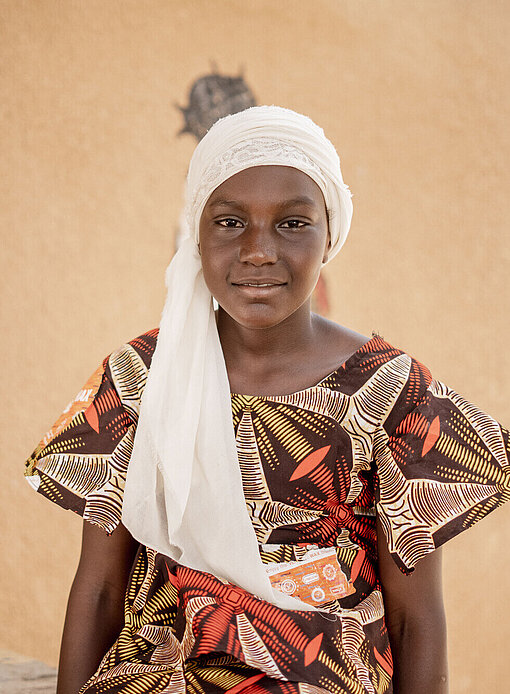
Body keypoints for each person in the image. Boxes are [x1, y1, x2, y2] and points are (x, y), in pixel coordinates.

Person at [24, 106, 509, 694]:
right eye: (229, 222)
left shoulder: (389, 394)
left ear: (329, 235)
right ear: (195, 236)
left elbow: (416, 620)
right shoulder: (143, 379)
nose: (258, 251)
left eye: (292, 223)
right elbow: (100, 586)